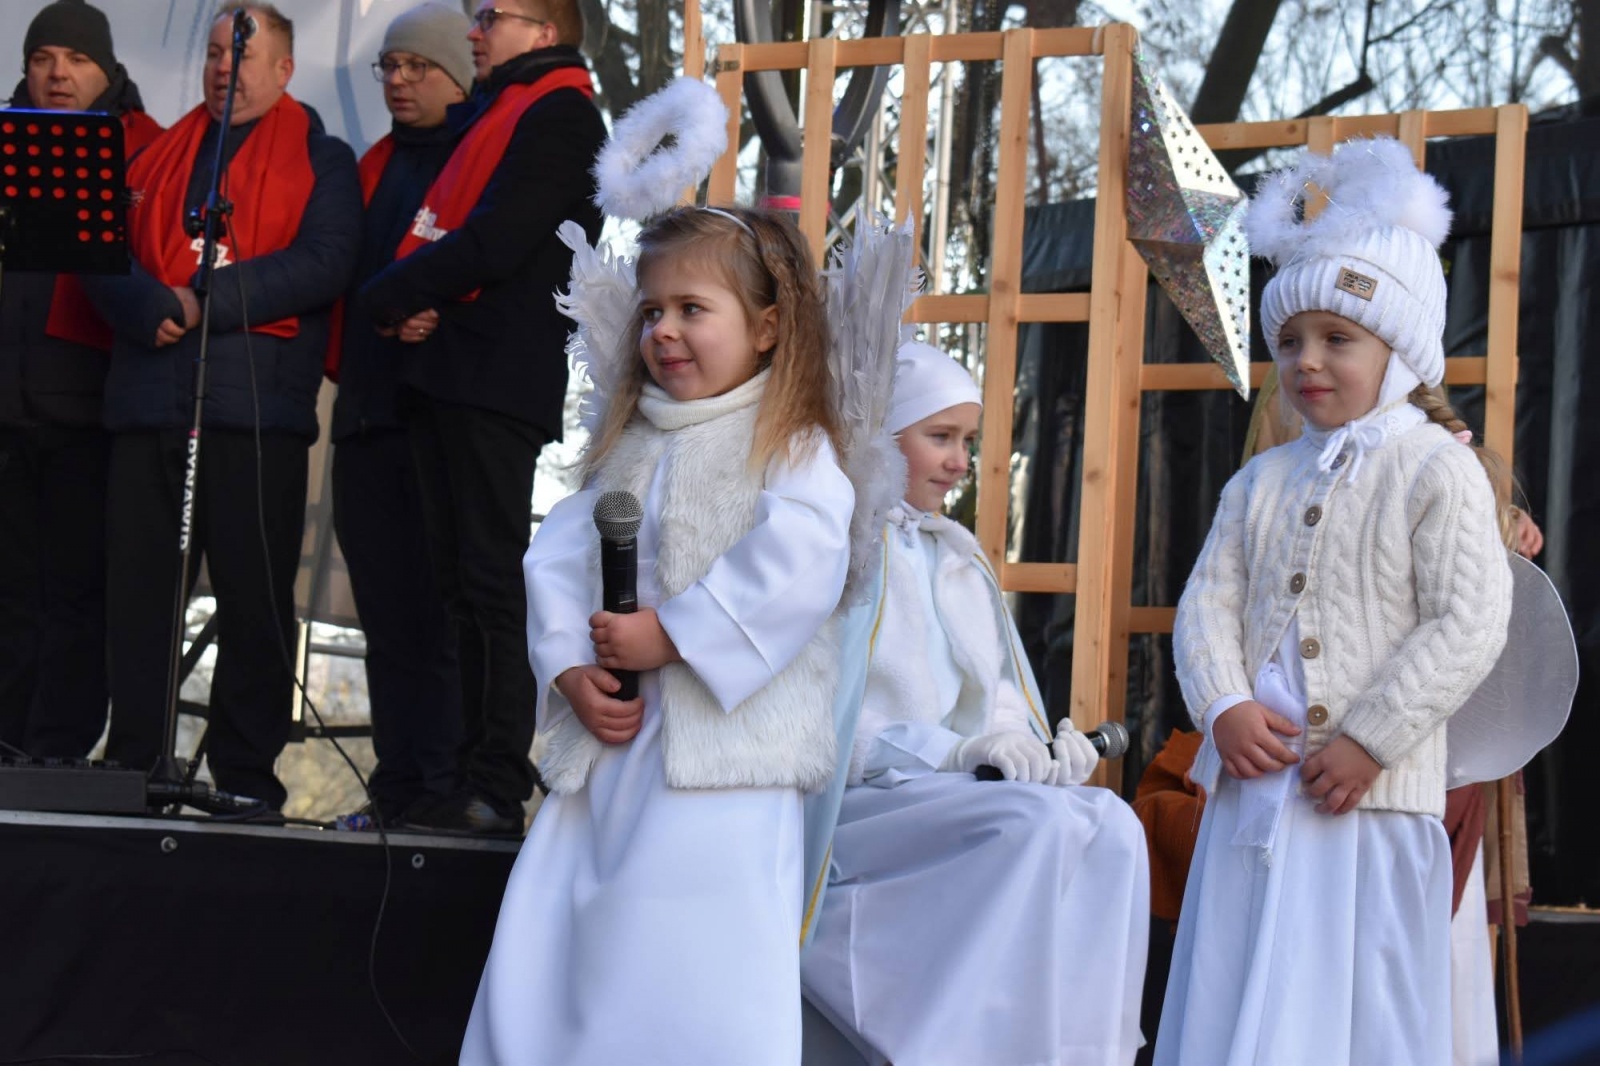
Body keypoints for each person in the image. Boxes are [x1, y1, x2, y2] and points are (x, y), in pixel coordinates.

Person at [461, 206, 854, 1064]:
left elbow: (802, 556)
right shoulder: (629, 448)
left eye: (691, 308)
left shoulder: (788, 445)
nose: (664, 330)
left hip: (725, 764)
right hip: (615, 752)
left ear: (767, 327)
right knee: (565, 928)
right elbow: (560, 559)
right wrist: (570, 668)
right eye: (652, 311)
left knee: (691, 956)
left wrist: (674, 634)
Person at [1155, 136, 1514, 1065]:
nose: (1308, 362)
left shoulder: (1437, 468)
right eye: (1291, 342)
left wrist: (1370, 740)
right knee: (1246, 994)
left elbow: (1468, 618)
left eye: (1337, 339)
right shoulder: (1260, 481)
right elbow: (1207, 607)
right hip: (1255, 799)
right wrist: (1226, 706)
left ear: (1401, 349)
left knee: (1358, 1012)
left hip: (1370, 806)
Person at [799, 341, 1151, 1066]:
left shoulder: (958, 555)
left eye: (967, 441)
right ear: (881, 434)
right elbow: (832, 731)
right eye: (941, 437)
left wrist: (1032, 746)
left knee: (1112, 824)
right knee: (1028, 829)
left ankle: (1077, 1051)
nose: (961, 461)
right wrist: (956, 753)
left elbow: (994, 692)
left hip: (954, 793)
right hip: (866, 803)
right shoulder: (840, 552)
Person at [81, 4, 360, 811]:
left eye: (241, 57)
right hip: (148, 407)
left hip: (253, 417)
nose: (221, 70)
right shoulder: (163, 153)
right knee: (138, 597)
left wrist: (204, 296)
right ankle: (134, 760)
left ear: (283, 70)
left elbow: (325, 261)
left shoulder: (322, 156)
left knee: (253, 604)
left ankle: (245, 776)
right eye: (211, 54)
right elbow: (103, 246)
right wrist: (143, 305)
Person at [356, 0, 606, 835]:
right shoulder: (495, 111)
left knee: (491, 582)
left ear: (545, 30)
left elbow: (504, 239)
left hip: (493, 380)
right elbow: (462, 232)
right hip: (449, 370)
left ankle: (495, 781)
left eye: (491, 14)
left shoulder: (563, 111)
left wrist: (404, 291)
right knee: (452, 587)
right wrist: (419, 304)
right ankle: (448, 775)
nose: (474, 29)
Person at [0, 0, 163, 757]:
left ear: (107, 71)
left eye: (76, 60)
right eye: (44, 58)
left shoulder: (146, 148)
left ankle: (54, 750)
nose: (58, 74)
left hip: (89, 409)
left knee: (75, 595)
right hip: (7, 410)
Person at [328, 3, 472, 828]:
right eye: (389, 65)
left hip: (444, 420)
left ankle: (450, 789)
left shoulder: (484, 157)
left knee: (446, 616)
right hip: (366, 417)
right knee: (386, 617)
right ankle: (398, 789)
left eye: (417, 65)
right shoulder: (370, 165)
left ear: (458, 73)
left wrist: (435, 309)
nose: (399, 79)